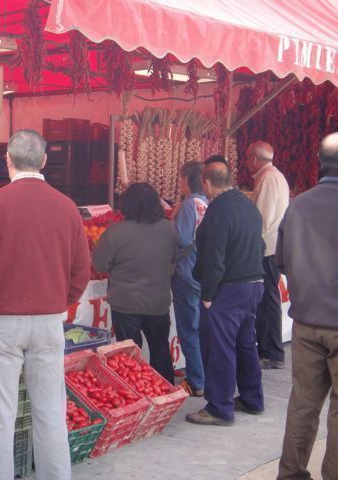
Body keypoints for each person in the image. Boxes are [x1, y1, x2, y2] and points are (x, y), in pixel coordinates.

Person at [0, 129, 90, 480]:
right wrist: (61, 301)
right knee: (50, 411)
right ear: (44, 161)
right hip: (49, 321)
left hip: (1, 320)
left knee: (0, 416)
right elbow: (81, 271)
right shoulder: (67, 207)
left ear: (8, 161)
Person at [276, 133, 338, 479]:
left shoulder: (298, 204)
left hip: (306, 321)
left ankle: (290, 473)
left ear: (320, 164)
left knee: (303, 403)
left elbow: (281, 261)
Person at [186, 161, 265, 426]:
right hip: (253, 284)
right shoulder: (248, 206)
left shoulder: (218, 211)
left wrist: (208, 295)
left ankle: (220, 407)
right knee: (245, 344)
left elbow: (214, 258)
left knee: (220, 348)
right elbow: (260, 245)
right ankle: (252, 399)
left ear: (207, 183)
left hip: (229, 288)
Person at [93, 182, 178, 384]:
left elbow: (99, 264)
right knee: (160, 348)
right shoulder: (169, 228)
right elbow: (173, 260)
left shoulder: (115, 232)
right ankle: (165, 388)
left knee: (129, 354)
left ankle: (134, 391)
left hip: (126, 303)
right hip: (158, 302)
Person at [247, 141, 290, 369]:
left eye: (248, 158)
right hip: (270, 247)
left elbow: (261, 219)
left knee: (267, 301)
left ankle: (272, 353)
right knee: (266, 300)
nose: (247, 163)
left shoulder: (268, 178)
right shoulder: (272, 176)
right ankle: (269, 350)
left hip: (267, 249)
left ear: (254, 159)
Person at [171, 162, 208, 397]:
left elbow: (182, 240)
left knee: (189, 330)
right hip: (203, 274)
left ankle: (196, 381)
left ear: (186, 179)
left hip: (186, 273)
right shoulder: (207, 202)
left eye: (180, 179)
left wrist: (172, 219)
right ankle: (203, 374)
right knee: (201, 329)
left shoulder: (187, 205)